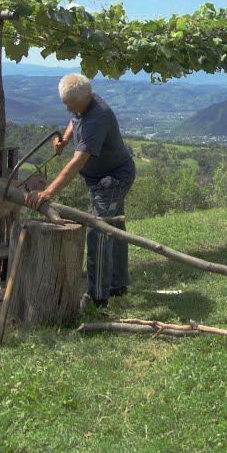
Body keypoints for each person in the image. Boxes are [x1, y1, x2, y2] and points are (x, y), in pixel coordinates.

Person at [25, 73, 135, 308]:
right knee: (114, 227)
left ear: (87, 97)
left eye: (71, 105)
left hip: (113, 179)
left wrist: (48, 192)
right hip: (100, 178)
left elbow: (77, 162)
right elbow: (75, 119)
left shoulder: (97, 118)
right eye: (66, 104)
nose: (68, 110)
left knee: (99, 230)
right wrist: (65, 140)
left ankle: (97, 297)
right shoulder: (83, 103)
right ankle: (117, 284)